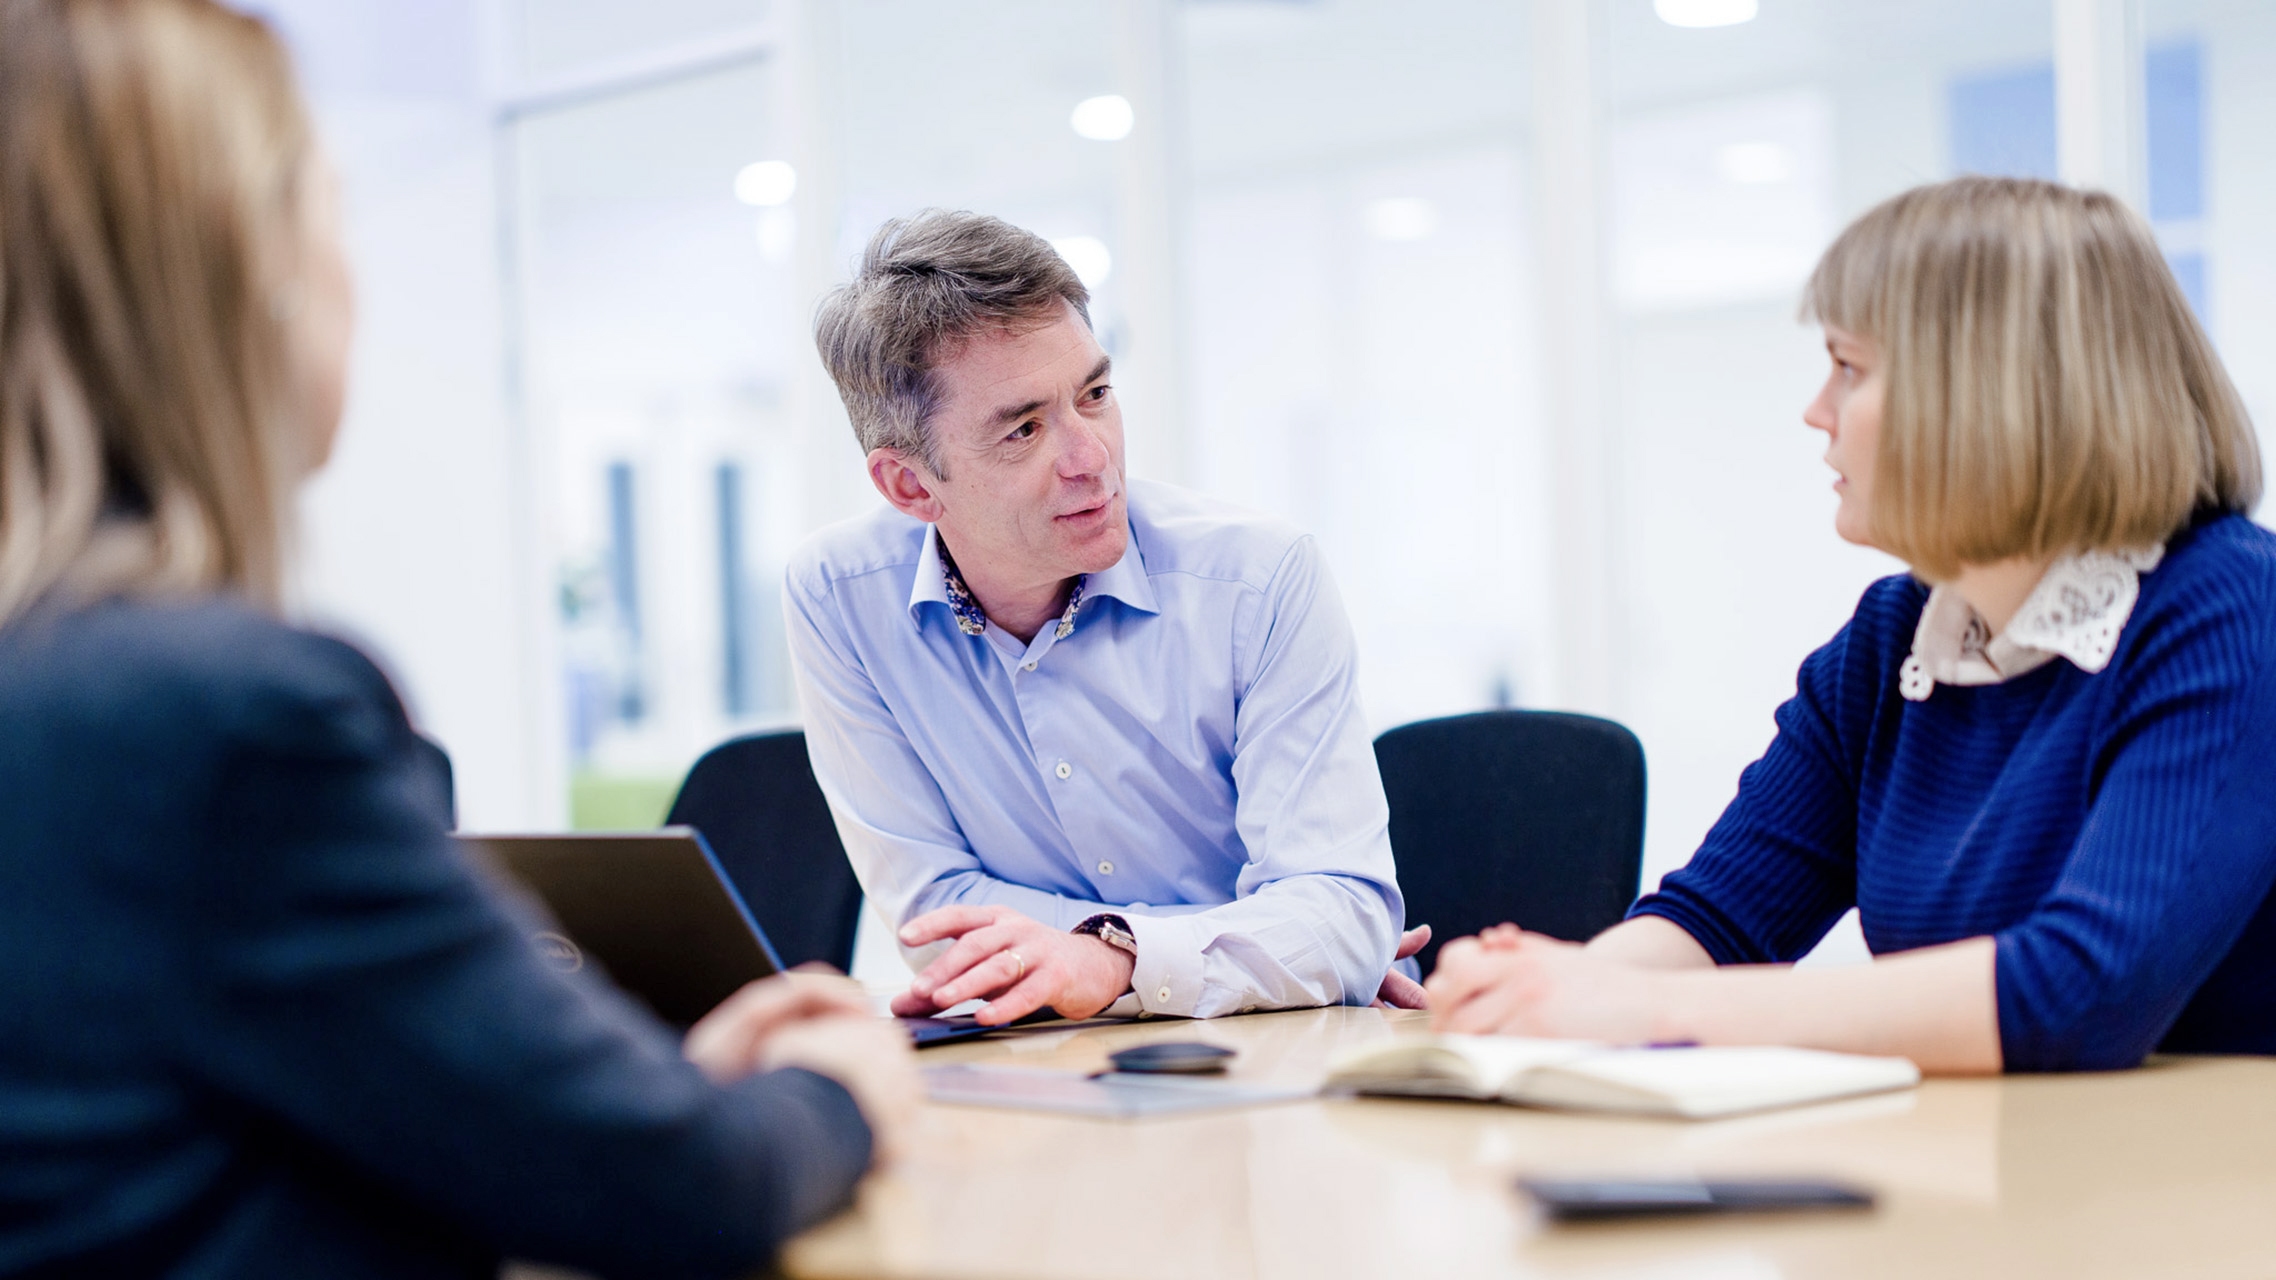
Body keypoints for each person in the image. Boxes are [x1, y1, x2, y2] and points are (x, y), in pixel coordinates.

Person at [0, 2, 915, 1276]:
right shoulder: (217, 717)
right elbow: (683, 1189)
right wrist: (836, 1085)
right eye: (327, 215)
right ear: (242, 284)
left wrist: (602, 1100)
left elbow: (173, 1134)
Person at [1427, 175, 2276, 1074]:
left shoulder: (2230, 607)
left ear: (1981, 396)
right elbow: (1718, 920)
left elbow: (2083, 993)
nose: (1816, 411)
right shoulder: (1895, 636)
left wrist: (1636, 1005)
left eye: (1849, 368)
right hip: (1995, 1149)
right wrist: (1543, 991)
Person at [788, 210, 1422, 1027]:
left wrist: (1116, 960)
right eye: (1023, 429)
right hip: (1053, 1056)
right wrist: (1259, 951)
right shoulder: (839, 596)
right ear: (911, 486)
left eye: (1095, 395)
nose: (1093, 458)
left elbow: (1340, 910)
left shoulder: (1258, 581)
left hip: (1279, 1050)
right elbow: (937, 917)